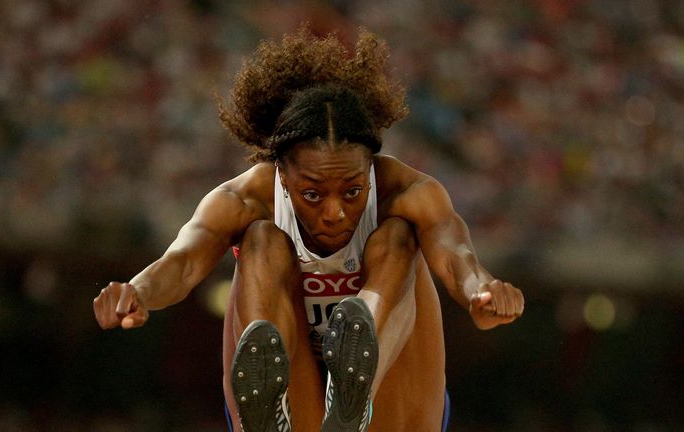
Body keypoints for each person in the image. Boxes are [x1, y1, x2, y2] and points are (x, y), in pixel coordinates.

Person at [93, 27, 524, 432]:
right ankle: (269, 404)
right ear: (281, 175)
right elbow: (183, 262)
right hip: (293, 379)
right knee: (260, 240)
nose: (335, 213)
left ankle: (357, 381)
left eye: (353, 192)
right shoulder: (243, 199)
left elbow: (456, 255)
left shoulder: (408, 191)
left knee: (399, 237)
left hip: (392, 386)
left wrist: (481, 292)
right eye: (313, 195)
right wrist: (139, 292)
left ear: (370, 170)